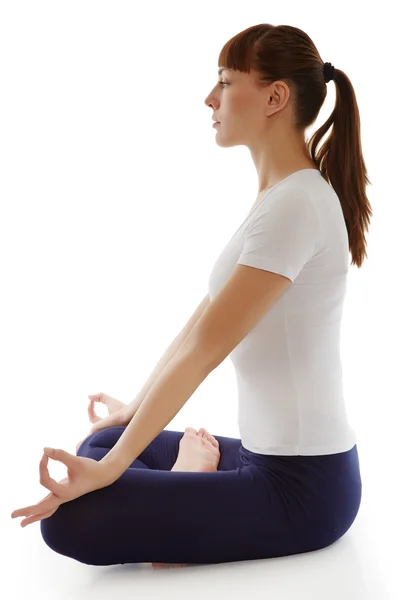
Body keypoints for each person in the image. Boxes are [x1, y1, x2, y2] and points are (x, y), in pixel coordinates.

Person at [11, 23, 372, 567]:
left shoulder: (297, 205)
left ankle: (185, 488)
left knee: (72, 518)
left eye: (225, 81)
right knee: (102, 445)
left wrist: (112, 472)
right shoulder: (279, 199)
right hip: (265, 462)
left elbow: (206, 351)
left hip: (304, 491)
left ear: (276, 96)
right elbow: (194, 329)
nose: (210, 97)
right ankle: (184, 498)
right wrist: (131, 413)